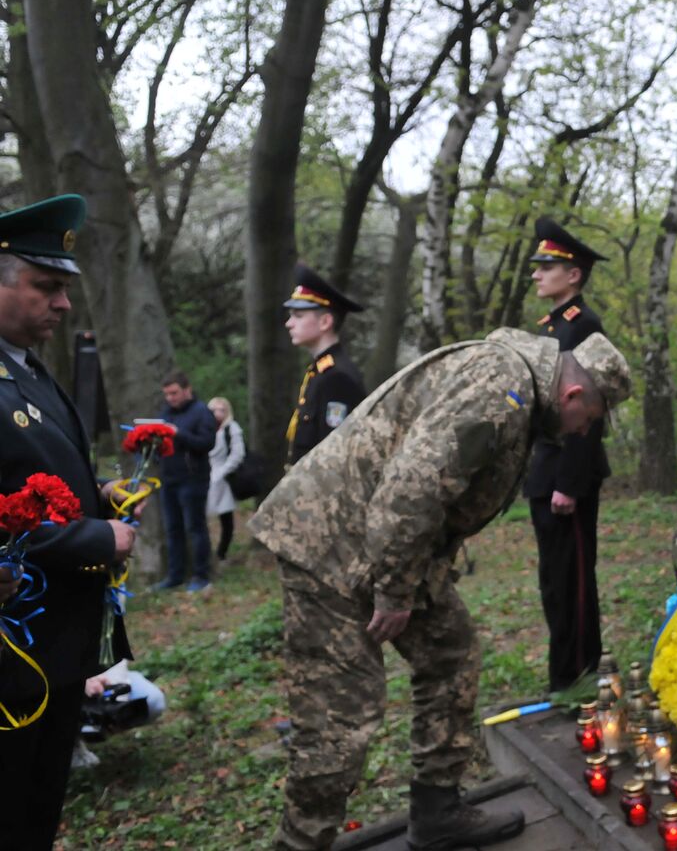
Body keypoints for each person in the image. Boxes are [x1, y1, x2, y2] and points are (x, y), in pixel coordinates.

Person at [251, 327, 632, 851]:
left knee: (451, 654)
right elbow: (410, 492)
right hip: (330, 546)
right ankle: (299, 844)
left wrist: (408, 579)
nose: (576, 433)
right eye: (585, 420)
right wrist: (394, 594)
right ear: (572, 395)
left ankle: (436, 812)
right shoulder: (500, 391)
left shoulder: (516, 386)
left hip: (383, 545)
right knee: (340, 718)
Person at [0, 193, 136, 850]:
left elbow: (29, 479)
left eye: (63, 288)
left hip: (55, 651)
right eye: (45, 286)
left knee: (35, 813)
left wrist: (98, 494)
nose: (62, 304)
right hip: (13, 652)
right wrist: (95, 537)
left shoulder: (28, 370)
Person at [523, 216, 612, 692]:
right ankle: (564, 675)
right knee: (554, 583)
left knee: (573, 580)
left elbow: (588, 410)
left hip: (566, 474)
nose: (536, 273)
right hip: (546, 468)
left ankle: (578, 674)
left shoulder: (583, 327)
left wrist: (569, 482)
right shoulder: (552, 326)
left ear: (573, 274)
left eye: (547, 265)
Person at [283, 264, 366, 463]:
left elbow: (333, 457)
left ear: (325, 322)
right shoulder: (321, 371)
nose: (289, 323)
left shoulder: (337, 377)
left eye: (298, 316)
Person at [154, 370, 218, 593]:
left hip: (193, 479)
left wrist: (178, 434)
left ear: (187, 390)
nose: (171, 398)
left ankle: (201, 575)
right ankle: (175, 575)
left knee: (195, 527)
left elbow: (207, 443)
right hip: (169, 478)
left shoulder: (202, 412)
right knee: (173, 529)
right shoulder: (166, 413)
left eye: (174, 393)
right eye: (167, 394)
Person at [207, 395, 246, 561]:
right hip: (204, 475)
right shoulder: (205, 428)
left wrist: (222, 472)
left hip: (223, 477)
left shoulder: (232, 428)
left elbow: (238, 454)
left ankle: (221, 553)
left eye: (222, 410)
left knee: (226, 517)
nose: (218, 413)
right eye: (214, 409)